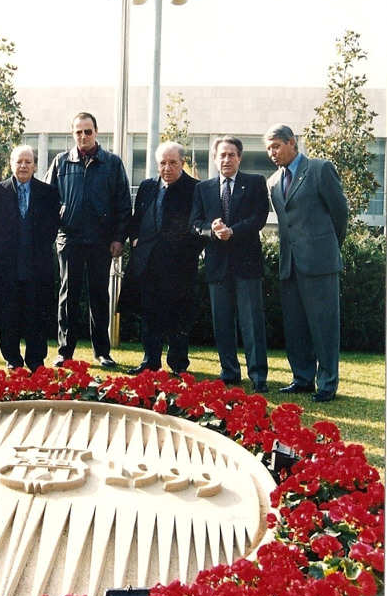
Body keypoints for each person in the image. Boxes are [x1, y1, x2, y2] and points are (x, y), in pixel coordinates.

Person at [263, 123, 348, 402]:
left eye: (276, 146)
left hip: (320, 261)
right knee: (295, 325)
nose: (271, 153)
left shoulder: (320, 169)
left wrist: (327, 248)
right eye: (268, 148)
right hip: (290, 264)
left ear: (292, 143)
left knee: (324, 326)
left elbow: (340, 214)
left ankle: (327, 383)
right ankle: (302, 379)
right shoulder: (273, 182)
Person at [45, 112, 131, 368]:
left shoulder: (112, 164)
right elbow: (49, 202)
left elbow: (123, 204)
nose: (83, 136)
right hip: (69, 239)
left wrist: (118, 238)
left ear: (96, 131)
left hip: (101, 241)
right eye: (78, 132)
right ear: (73, 134)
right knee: (67, 296)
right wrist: (56, 232)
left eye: (88, 131)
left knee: (99, 297)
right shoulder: (61, 162)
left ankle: (102, 352)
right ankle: (65, 352)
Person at [190, 136, 269, 392]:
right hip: (217, 265)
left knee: (252, 322)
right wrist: (211, 231)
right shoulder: (203, 189)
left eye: (231, 155)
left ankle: (258, 377)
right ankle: (229, 372)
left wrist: (233, 231)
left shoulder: (255, 182)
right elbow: (195, 223)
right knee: (222, 322)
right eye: (222, 155)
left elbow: (259, 217)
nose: (226, 159)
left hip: (246, 263)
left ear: (240, 158)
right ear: (214, 158)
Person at [119, 141, 203, 375]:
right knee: (149, 315)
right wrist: (135, 240)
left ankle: (178, 365)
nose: (167, 168)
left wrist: (187, 254)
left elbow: (198, 228)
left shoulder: (196, 189)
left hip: (179, 266)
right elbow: (137, 219)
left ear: (182, 163)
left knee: (178, 317)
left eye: (172, 163)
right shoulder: (147, 186)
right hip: (148, 263)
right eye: (162, 163)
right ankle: (150, 362)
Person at [0, 145, 60, 371]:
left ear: (35, 166)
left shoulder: (49, 193)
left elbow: (52, 227)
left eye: (28, 162)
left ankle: (36, 361)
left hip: (38, 265)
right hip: (7, 265)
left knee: (37, 313)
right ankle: (12, 359)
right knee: (8, 313)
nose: (24, 166)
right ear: (11, 164)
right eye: (19, 162)